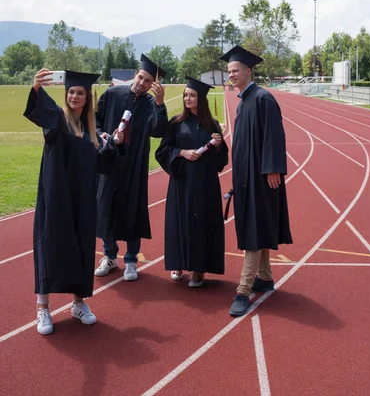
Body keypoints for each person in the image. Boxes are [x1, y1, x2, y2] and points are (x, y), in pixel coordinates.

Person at [24, 69, 123, 335]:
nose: (74, 96)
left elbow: (102, 164)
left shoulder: (91, 131)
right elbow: (38, 110)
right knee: (50, 245)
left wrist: (112, 143)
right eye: (70, 92)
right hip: (56, 198)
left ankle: (78, 303)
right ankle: (42, 308)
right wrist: (36, 88)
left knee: (81, 247)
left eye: (79, 92)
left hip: (82, 201)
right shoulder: (58, 119)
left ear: (87, 98)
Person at [220, 46, 293, 316]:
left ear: (248, 71)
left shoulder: (263, 98)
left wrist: (273, 169)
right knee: (257, 226)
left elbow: (275, 135)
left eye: (235, 70)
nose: (231, 75)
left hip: (263, 179)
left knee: (252, 230)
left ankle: (243, 290)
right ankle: (265, 276)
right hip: (245, 178)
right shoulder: (243, 101)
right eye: (229, 72)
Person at [95, 54, 168, 281]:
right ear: (135, 75)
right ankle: (109, 256)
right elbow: (94, 122)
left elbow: (158, 131)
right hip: (110, 159)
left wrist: (159, 103)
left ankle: (130, 260)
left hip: (135, 165)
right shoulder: (112, 94)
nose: (142, 83)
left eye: (148, 81)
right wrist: (101, 134)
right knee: (105, 209)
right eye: (141, 77)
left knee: (133, 210)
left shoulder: (150, 104)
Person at [155, 77, 228, 287]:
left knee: (202, 224)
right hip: (182, 181)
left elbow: (222, 160)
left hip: (205, 183)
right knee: (180, 221)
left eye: (192, 95)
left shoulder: (212, 125)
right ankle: (178, 263)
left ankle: (199, 269)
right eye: (186, 95)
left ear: (201, 98)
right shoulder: (176, 123)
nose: (187, 98)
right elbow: (162, 151)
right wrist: (182, 152)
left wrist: (218, 146)